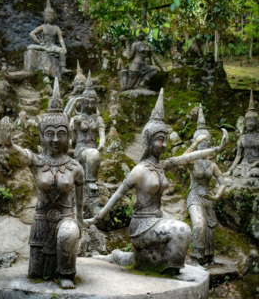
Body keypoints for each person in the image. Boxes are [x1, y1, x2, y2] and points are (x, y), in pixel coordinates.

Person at [85, 89, 228, 273]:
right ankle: (161, 267)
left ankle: (154, 265)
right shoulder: (139, 171)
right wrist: (97, 218)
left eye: (166, 140)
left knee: (181, 233)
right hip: (141, 226)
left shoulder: (162, 166)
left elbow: (187, 158)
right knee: (182, 230)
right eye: (160, 140)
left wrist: (216, 149)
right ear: (148, 140)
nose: (165, 145)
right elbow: (117, 196)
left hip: (158, 221)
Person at [0, 78, 87, 289]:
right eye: (50, 134)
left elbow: (81, 202)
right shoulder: (37, 162)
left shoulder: (75, 167)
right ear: (41, 136)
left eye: (61, 134)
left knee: (67, 233)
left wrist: (81, 221)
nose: (55, 140)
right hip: (41, 222)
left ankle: (66, 274)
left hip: (66, 219)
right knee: (36, 273)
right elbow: (23, 155)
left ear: (69, 136)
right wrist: (9, 144)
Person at [184, 104, 226, 266]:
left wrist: (216, 196)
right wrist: (194, 145)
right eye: (201, 141)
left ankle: (208, 258)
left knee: (211, 228)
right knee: (199, 225)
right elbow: (184, 158)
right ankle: (195, 259)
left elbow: (222, 183)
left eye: (206, 141)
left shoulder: (212, 165)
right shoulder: (192, 162)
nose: (204, 143)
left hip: (208, 197)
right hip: (194, 196)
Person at [71, 71, 105, 191]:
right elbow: (73, 140)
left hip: (93, 147)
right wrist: (74, 126)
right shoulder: (78, 118)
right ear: (82, 103)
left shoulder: (98, 119)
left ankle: (90, 179)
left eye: (92, 103)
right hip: (81, 148)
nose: (90, 106)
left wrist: (101, 144)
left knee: (94, 152)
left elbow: (102, 135)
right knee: (94, 153)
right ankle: (90, 181)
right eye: (87, 102)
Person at [28, 0, 70, 74]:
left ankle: (63, 68)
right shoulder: (42, 27)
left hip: (53, 46)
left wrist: (64, 47)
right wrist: (39, 42)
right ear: (44, 16)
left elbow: (61, 39)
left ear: (54, 16)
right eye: (48, 16)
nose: (50, 17)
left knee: (62, 51)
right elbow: (31, 33)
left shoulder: (56, 28)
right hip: (44, 46)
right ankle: (49, 52)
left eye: (52, 16)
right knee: (29, 47)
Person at [224, 90, 259, 177]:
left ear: (257, 122)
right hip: (244, 164)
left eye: (252, 121)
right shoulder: (242, 138)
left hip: (256, 164)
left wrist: (253, 165)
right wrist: (230, 170)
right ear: (245, 122)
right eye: (247, 121)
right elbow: (238, 156)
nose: (250, 123)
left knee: (254, 173)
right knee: (237, 173)